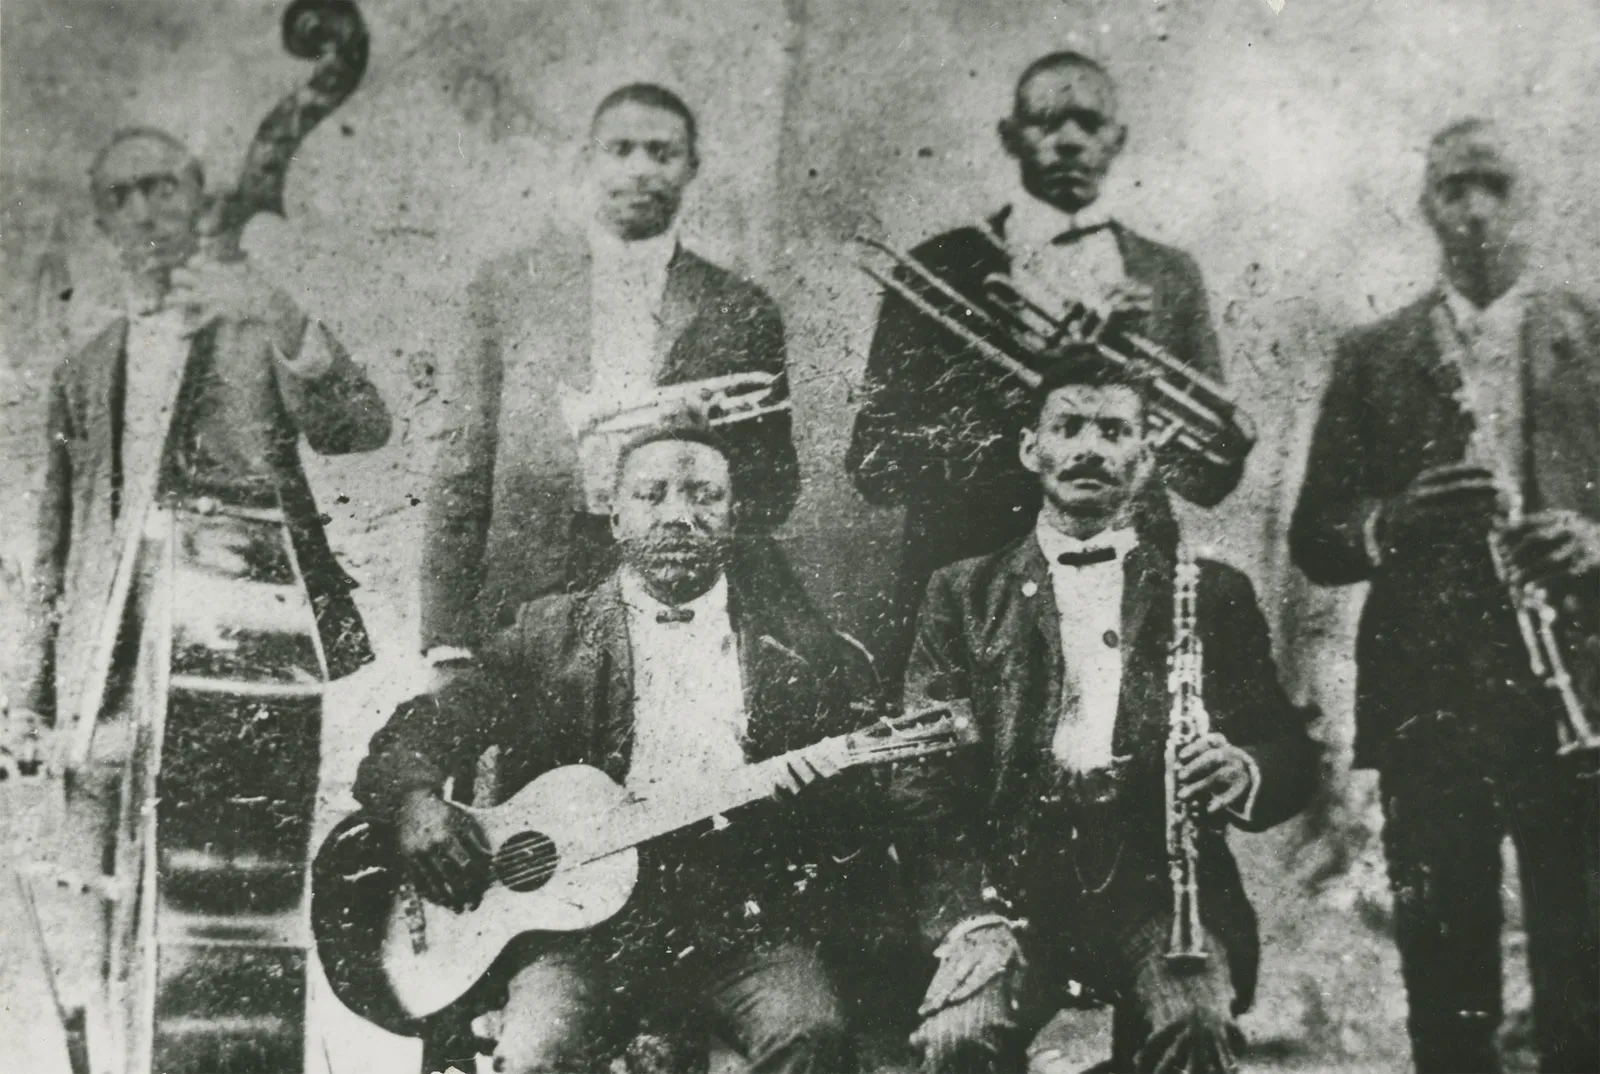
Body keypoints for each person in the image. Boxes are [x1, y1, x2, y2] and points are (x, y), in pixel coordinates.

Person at [358, 415, 880, 1074]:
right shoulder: (550, 633)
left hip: (734, 921)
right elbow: (431, 723)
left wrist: (812, 807)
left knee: (813, 1036)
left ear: (734, 517)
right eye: (651, 494)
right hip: (578, 934)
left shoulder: (792, 652)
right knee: (535, 1055)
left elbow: (847, 821)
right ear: (613, 517)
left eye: (704, 497)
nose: (677, 516)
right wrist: (414, 801)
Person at [8, 125, 390, 1013]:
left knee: (227, 908)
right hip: (105, 675)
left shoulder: (255, 328)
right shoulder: (82, 369)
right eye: (125, 194)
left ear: (199, 197)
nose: (148, 208)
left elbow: (360, 427)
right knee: (97, 921)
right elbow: (55, 547)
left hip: (234, 658)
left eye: (166, 186)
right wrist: (27, 701)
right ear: (104, 219)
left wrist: (281, 314)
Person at [892, 351, 1314, 1073]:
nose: (1089, 448)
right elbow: (919, 780)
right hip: (1011, 893)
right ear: (1032, 448)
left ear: (1147, 459)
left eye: (1114, 432)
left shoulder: (1212, 593)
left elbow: (1288, 750)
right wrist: (971, 918)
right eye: (1069, 427)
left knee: (1195, 1024)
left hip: (1158, 895)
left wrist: (1240, 768)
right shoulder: (961, 592)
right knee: (955, 1041)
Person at [1290, 118, 1599, 1073]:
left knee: (1585, 972)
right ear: (1426, 206)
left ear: (1526, 200)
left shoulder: (1591, 338)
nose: (1473, 208)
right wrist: (1394, 520)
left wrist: (1594, 541)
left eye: (1493, 186)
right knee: (1447, 978)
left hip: (1576, 695)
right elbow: (1316, 537)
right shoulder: (1374, 355)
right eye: (1453, 188)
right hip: (1433, 705)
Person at [847, 50, 1237, 689]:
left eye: (1088, 123)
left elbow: (1209, 474)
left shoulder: (1171, 277)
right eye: (1045, 122)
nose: (1069, 142)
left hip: (1127, 577)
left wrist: (1129, 372)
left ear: (1119, 139)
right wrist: (1036, 382)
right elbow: (875, 467)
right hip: (972, 575)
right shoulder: (937, 268)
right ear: (1010, 136)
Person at [421, 82, 801, 671]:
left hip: (679, 583)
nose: (641, 170)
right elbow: (461, 474)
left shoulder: (744, 307)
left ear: (691, 167)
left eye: (662, 153)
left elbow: (775, 492)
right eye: (619, 150)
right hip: (536, 585)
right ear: (585, 159)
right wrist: (445, 638)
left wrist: (711, 450)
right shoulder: (507, 289)